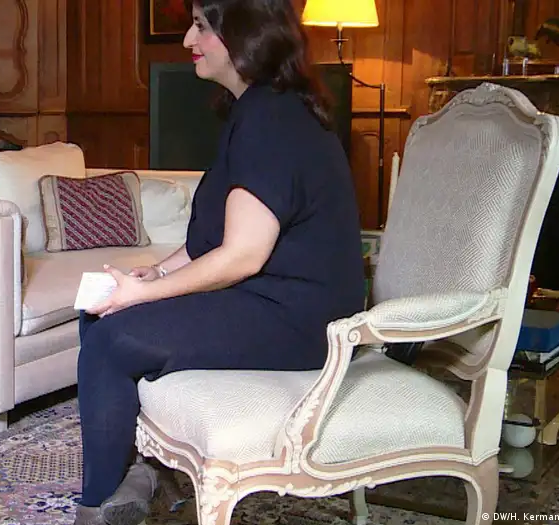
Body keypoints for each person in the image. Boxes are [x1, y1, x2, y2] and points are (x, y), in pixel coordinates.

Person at [72, 1, 365, 523]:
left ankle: (98, 507)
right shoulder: (254, 110)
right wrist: (157, 273)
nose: (188, 40)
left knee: (112, 340)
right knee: (99, 311)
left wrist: (144, 295)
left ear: (245, 34)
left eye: (201, 26)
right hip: (264, 299)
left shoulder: (273, 118)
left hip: (300, 319)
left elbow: (242, 255)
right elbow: (212, 240)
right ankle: (131, 476)